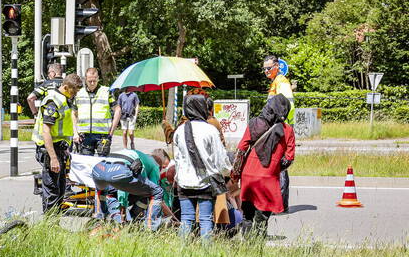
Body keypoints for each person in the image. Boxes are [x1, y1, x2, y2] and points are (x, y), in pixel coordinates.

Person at [172, 93, 232, 239]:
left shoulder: (180, 130)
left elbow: (177, 158)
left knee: (186, 218)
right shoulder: (210, 130)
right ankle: (207, 254)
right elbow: (220, 158)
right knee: (205, 219)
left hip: (184, 182)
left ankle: (181, 252)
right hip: (205, 182)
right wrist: (227, 172)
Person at [234, 95, 295, 238]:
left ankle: (247, 248)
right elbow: (289, 158)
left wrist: (235, 174)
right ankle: (258, 248)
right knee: (262, 218)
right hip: (268, 178)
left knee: (247, 216)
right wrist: (275, 168)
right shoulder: (287, 130)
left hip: (248, 176)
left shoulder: (254, 123)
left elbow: (241, 150)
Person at [34, 73, 82, 213]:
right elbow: (46, 131)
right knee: (52, 190)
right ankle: (49, 226)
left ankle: (54, 223)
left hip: (59, 148)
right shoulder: (53, 102)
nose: (75, 94)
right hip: (50, 150)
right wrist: (53, 158)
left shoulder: (65, 99)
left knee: (60, 189)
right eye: (74, 91)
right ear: (66, 87)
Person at [91, 148, 173, 228]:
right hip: (119, 171)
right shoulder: (154, 165)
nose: (163, 170)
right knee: (156, 192)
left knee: (104, 192)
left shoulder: (141, 157)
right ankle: (150, 228)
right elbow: (155, 195)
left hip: (99, 169)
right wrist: (172, 217)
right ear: (159, 164)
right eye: (163, 167)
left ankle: (99, 220)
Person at [263, 54, 295, 211]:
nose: (266, 71)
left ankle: (280, 205)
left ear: (277, 66)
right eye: (264, 69)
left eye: (269, 68)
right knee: (278, 165)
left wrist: (281, 125)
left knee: (279, 165)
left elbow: (287, 106)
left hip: (280, 130)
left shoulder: (281, 82)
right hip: (278, 128)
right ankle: (280, 203)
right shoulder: (276, 82)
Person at [74, 67, 121, 155]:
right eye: (89, 81)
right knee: (86, 164)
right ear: (85, 79)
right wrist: (75, 133)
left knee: (103, 164)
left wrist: (111, 132)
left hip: (103, 135)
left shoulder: (106, 91)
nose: (92, 83)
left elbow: (118, 110)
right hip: (84, 135)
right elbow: (73, 113)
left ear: (98, 78)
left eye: (94, 81)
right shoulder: (79, 93)